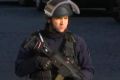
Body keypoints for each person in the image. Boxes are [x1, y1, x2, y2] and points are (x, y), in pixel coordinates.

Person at [15, 0, 94, 80]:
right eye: (58, 18)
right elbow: (18, 70)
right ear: (49, 19)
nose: (62, 22)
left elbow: (89, 70)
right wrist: (37, 61)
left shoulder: (77, 42)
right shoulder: (35, 41)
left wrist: (77, 77)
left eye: (65, 18)